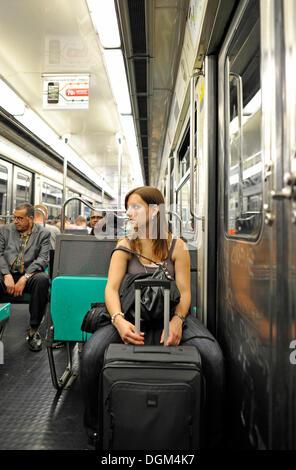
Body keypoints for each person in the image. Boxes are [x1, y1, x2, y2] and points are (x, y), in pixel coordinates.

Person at [80, 186, 224, 448]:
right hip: (131, 314)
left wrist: (178, 320)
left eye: (135, 207)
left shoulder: (176, 246)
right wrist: (119, 320)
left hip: (171, 314)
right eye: (128, 208)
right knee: (91, 355)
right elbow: (111, 289)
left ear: (155, 210)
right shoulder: (125, 245)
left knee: (212, 358)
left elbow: (184, 293)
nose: (129, 213)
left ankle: (211, 434)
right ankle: (96, 428)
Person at [0, 203, 50, 352]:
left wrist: (25, 277)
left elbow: (42, 259)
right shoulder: (5, 231)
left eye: (20, 218)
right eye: (15, 218)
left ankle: (34, 330)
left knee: (42, 280)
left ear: (30, 219)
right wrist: (6, 274)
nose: (16, 221)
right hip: (7, 273)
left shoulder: (43, 234)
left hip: (28, 275)